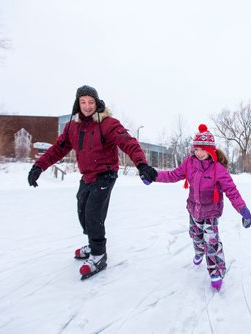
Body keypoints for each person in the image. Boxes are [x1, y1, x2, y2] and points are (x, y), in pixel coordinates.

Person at [27, 85, 157, 279]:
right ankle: (92, 242)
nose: (87, 106)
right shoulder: (73, 127)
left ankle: (98, 254)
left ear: (97, 103)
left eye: (90, 102)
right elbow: (57, 149)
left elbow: (128, 142)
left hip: (105, 174)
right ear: (77, 104)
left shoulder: (107, 124)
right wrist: (38, 167)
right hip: (87, 175)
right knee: (82, 211)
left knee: (93, 214)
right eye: (83, 102)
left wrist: (141, 164)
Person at [151, 124, 251, 291]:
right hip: (194, 210)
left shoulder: (218, 169)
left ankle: (216, 272)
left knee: (211, 243)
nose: (197, 153)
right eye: (195, 149)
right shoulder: (189, 163)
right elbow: (173, 175)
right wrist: (154, 176)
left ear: (210, 150)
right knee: (196, 236)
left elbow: (231, 191)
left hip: (211, 212)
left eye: (201, 149)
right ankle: (198, 251)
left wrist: (243, 210)